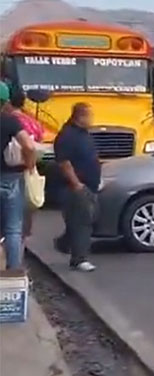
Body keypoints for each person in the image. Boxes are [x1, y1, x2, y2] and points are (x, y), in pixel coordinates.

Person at [53, 103, 99, 272]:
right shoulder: (67, 136)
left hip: (88, 184)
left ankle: (64, 243)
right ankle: (80, 259)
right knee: (82, 221)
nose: (91, 119)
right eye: (89, 116)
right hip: (74, 187)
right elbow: (64, 163)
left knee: (84, 219)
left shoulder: (83, 134)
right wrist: (76, 184)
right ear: (80, 117)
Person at [0, 82, 36, 271]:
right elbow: (29, 146)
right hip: (9, 178)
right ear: (5, 101)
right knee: (13, 228)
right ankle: (13, 271)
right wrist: (29, 166)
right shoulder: (9, 121)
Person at [6, 90, 43, 246]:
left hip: (10, 170)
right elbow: (38, 142)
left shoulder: (11, 120)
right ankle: (19, 254)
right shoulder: (32, 122)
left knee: (10, 221)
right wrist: (31, 165)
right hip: (27, 170)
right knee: (25, 211)